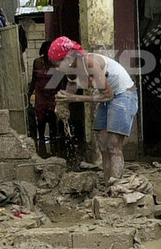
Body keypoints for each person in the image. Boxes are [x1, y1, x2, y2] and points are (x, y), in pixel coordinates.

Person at [48, 37, 138, 180]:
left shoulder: (89, 63)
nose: (57, 68)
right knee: (102, 144)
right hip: (107, 98)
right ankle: (109, 183)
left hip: (123, 95)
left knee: (113, 145)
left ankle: (116, 186)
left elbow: (108, 95)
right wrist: (62, 103)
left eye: (58, 64)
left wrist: (74, 99)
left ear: (70, 57)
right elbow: (71, 86)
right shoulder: (71, 69)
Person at [28, 41, 62, 156]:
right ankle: (41, 149)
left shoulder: (56, 64)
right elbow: (34, 79)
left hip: (52, 96)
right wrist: (29, 94)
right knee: (41, 121)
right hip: (41, 96)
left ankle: (54, 151)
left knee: (53, 122)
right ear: (43, 51)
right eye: (46, 50)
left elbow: (59, 82)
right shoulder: (37, 62)